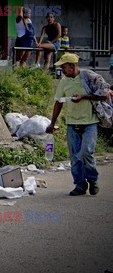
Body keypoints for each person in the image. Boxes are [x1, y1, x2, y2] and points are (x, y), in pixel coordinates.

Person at [46, 53, 109, 196]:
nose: (62, 70)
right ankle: (80, 185)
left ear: (73, 66)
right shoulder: (64, 81)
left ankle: (93, 180)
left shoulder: (89, 77)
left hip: (90, 122)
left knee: (86, 152)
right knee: (74, 157)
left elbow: (105, 94)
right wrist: (52, 123)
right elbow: (58, 102)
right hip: (72, 123)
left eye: (64, 67)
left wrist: (84, 97)